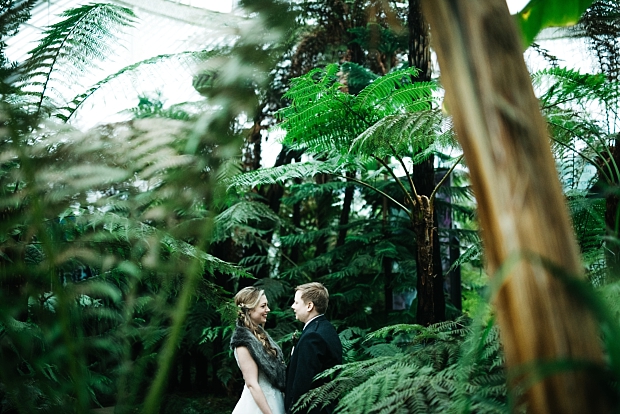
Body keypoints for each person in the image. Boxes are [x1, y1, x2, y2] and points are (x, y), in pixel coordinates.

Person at [285, 282, 342, 414]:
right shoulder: (327, 328)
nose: (293, 306)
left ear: (309, 306)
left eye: (296, 302)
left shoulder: (312, 336)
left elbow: (302, 385)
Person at [231, 286, 286, 414]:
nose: (268, 309)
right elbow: (252, 384)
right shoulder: (243, 341)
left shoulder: (259, 335)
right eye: (263, 306)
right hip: (259, 407)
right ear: (249, 310)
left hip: (274, 399)